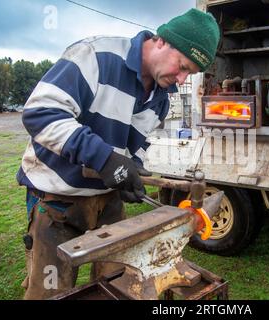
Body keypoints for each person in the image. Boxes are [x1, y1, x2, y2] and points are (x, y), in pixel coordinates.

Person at [16, 8, 220, 300]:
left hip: (108, 203)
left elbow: (136, 145)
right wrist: (104, 159)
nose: (181, 79)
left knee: (116, 287)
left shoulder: (161, 98)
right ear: (163, 41)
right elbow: (41, 114)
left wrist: (130, 172)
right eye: (183, 66)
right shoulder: (95, 56)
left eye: (190, 74)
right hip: (57, 202)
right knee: (50, 291)